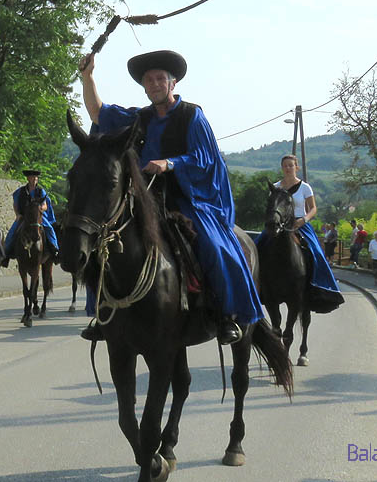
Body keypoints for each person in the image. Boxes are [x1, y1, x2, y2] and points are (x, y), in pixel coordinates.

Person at [78, 49, 263, 345]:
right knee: (105, 242)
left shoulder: (192, 116)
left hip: (187, 198)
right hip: (146, 198)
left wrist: (170, 163)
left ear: (172, 83)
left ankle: (226, 314)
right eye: (149, 80)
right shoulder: (140, 118)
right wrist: (88, 78)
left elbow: (206, 158)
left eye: (160, 78)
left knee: (215, 247)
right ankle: (103, 313)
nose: (154, 84)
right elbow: (99, 112)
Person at [256, 154, 344, 313]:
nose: (288, 168)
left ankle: (321, 287)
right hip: (279, 224)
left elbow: (313, 208)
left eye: (291, 165)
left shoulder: (305, 187)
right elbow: (271, 208)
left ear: (297, 167)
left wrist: (303, 220)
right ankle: (254, 286)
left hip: (299, 224)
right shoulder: (275, 187)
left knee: (316, 252)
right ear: (282, 168)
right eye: (285, 166)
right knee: (257, 246)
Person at [2, 169, 59, 266]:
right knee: (12, 231)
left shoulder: (41, 191)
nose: (35, 179)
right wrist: (18, 215)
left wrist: (40, 208)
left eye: (36, 177)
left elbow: (45, 205)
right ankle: (6, 254)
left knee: (49, 228)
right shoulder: (20, 191)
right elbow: (15, 204)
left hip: (37, 216)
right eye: (33, 177)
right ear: (28, 178)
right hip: (24, 216)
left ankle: (55, 249)